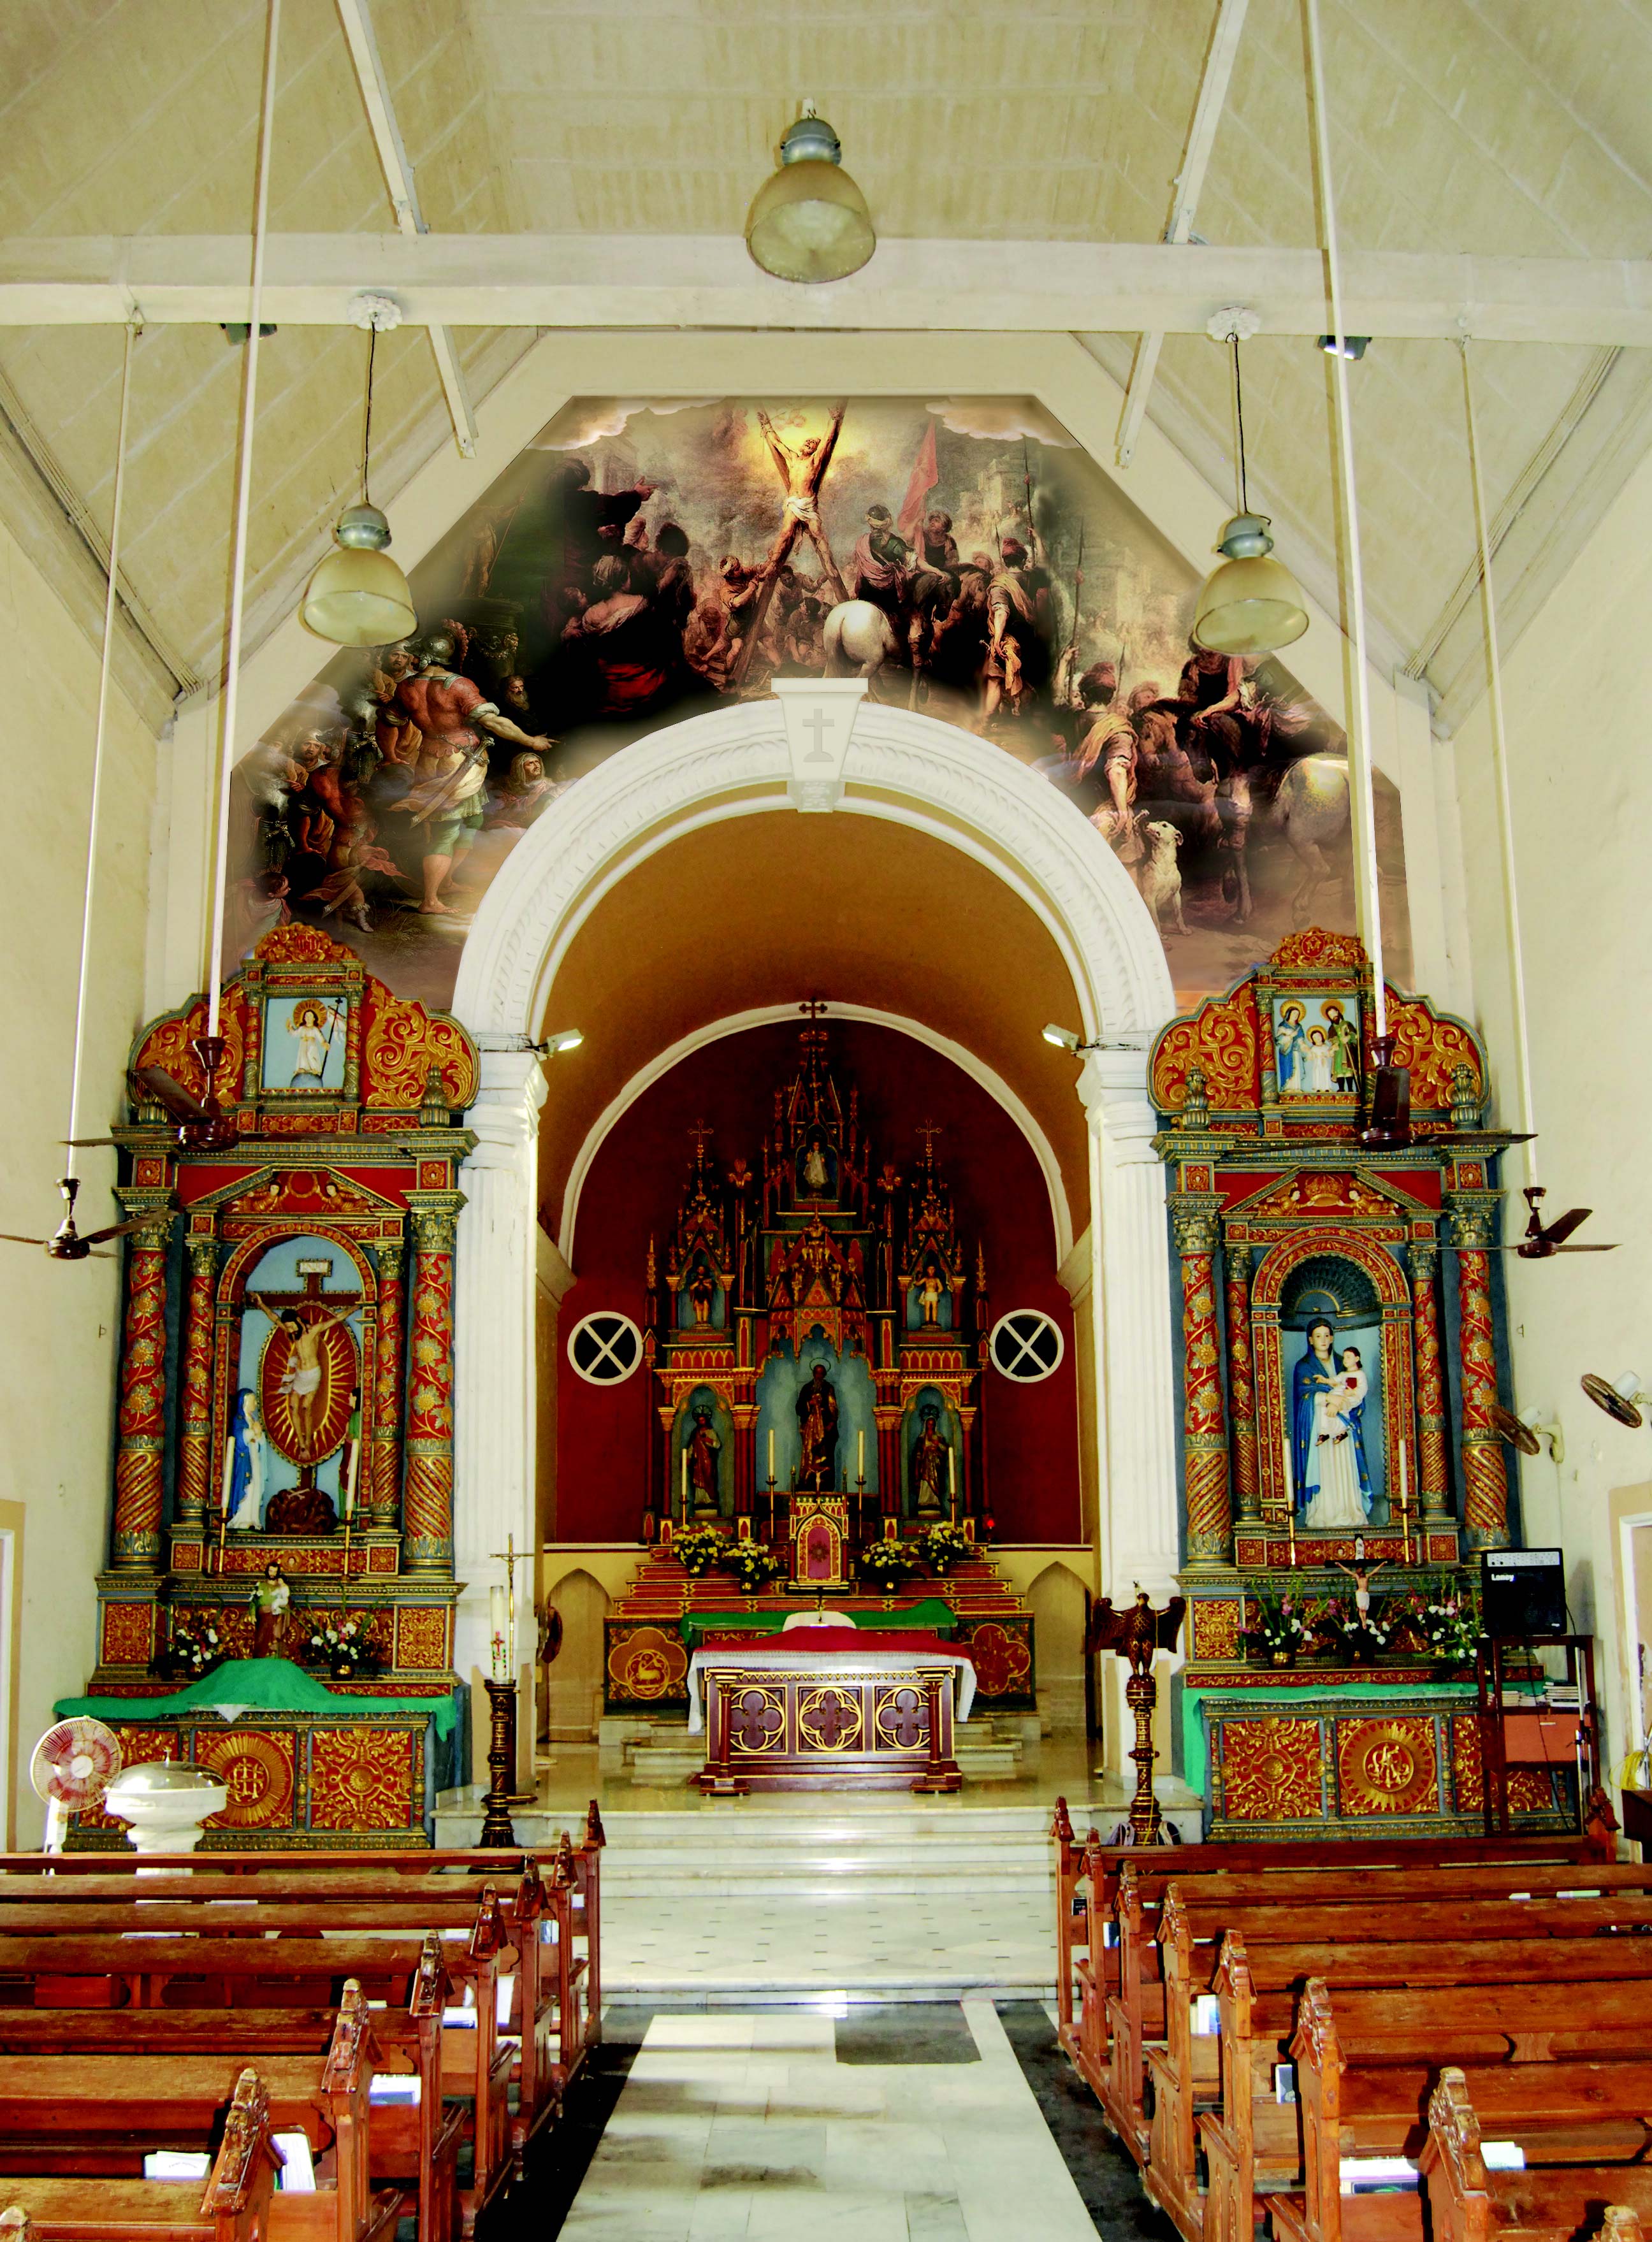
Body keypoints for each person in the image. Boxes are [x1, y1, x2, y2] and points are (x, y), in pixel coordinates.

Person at [391, 626, 553, 915]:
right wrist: (530, 740)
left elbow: (388, 719)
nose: (412, 659)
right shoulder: (458, 685)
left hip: (429, 760)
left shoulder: (406, 687)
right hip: (458, 763)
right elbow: (494, 723)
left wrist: (390, 754)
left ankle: (447, 881)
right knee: (446, 832)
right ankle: (430, 900)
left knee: (474, 820)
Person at [252, 1295, 357, 1449]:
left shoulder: (313, 1331)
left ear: (299, 1321)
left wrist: (355, 1308)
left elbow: (336, 1319)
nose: (290, 1330)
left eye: (292, 1326)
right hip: (300, 1375)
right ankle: (301, 1445)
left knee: (306, 1408)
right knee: (294, 1406)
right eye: (288, 1327)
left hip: (313, 1374)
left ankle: (308, 1441)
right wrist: (261, 1305)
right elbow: (274, 1318)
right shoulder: (292, 1334)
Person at [1305, 1344, 1373, 1529]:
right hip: (1325, 1441)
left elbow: (1359, 1395)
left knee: (1341, 1412)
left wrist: (1345, 1398)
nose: (1324, 1340)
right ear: (1310, 1339)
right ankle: (1328, 1434)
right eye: (1318, 1336)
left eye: (1327, 1335)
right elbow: (1332, 1382)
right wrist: (1325, 1386)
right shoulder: (1307, 1367)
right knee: (1329, 1414)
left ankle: (1341, 1433)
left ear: (1357, 1359)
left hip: (1349, 1403)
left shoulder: (1360, 1375)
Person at [223, 1389, 266, 1531]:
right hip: (244, 1461)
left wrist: (259, 1436)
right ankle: (241, 1518)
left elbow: (260, 1443)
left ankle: (253, 1518)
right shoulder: (239, 1420)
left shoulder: (253, 1421)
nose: (255, 1404)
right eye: (253, 1401)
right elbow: (240, 1440)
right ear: (245, 1402)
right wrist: (253, 1432)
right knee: (247, 1487)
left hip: (254, 1459)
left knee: (255, 1486)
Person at [795, 1363, 839, 1491]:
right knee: (810, 1455)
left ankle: (826, 1485)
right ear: (813, 1374)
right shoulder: (807, 1388)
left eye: (821, 1373)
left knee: (826, 1457)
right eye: (817, 1373)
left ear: (824, 1375)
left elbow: (834, 1409)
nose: (819, 1376)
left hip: (825, 1431)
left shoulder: (829, 1388)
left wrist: (831, 1423)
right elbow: (799, 1408)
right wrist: (810, 1403)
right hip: (810, 1431)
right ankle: (808, 1483)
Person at [911, 1404, 948, 1515]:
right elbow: (918, 1453)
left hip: (936, 1464)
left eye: (933, 1424)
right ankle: (924, 1502)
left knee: (935, 1483)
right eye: (929, 1424)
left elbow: (945, 1450)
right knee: (925, 1483)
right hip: (925, 1463)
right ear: (926, 1425)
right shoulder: (922, 1437)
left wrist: (937, 1446)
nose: (931, 1426)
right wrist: (925, 1450)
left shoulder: (939, 1437)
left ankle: (934, 1502)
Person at [250, 1562, 291, 1658]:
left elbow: (287, 1603)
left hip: (277, 1618)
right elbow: (253, 1602)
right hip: (262, 1619)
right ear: (267, 1571)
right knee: (260, 1641)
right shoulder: (260, 1586)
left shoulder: (282, 1587)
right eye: (270, 1571)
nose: (272, 1574)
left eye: (275, 1572)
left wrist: (279, 1610)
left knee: (274, 1641)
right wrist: (252, 1615)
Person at [686, 1408, 721, 1517]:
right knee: (698, 1480)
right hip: (698, 1462)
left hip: (708, 1460)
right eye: (700, 1421)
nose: (701, 1422)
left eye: (703, 1420)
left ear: (706, 1421)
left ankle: (710, 1500)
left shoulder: (711, 1432)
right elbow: (692, 1446)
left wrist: (709, 1441)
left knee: (709, 1478)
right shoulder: (695, 1433)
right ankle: (700, 1500)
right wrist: (688, 1457)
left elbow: (718, 1445)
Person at [1323, 1001, 1360, 1094]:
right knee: (1339, 1069)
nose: (1333, 1016)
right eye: (1330, 1015)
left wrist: (1348, 1037)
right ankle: (1341, 1088)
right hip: (1339, 1051)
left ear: (1338, 1012)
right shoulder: (1332, 1028)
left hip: (1348, 1050)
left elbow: (1354, 1035)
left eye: (1333, 1013)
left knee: (1348, 1068)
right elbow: (1332, 1039)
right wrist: (1335, 1045)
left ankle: (1351, 1089)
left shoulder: (1347, 1024)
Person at [1275, 1001, 1307, 1092]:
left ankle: (1297, 1088)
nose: (1295, 1015)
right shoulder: (1283, 1026)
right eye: (1294, 1013)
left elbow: (1301, 1041)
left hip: (1296, 1052)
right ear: (1289, 1014)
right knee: (1287, 1068)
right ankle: (1287, 1087)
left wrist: (1305, 1048)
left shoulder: (1299, 1027)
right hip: (1286, 1052)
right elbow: (1278, 1040)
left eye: (1297, 1014)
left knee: (1297, 1068)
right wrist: (1289, 1037)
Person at [1303, 1026, 1335, 1093]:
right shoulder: (1314, 1048)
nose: (1317, 1039)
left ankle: (1327, 1087)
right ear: (1312, 1039)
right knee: (1317, 1073)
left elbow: (1329, 1054)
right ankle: (1318, 1087)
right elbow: (1310, 1057)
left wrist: (1331, 1051)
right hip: (1317, 1063)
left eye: (1319, 1036)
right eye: (1315, 1038)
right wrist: (1309, 1053)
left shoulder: (1325, 1046)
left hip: (1325, 1063)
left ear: (1322, 1036)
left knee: (1326, 1073)